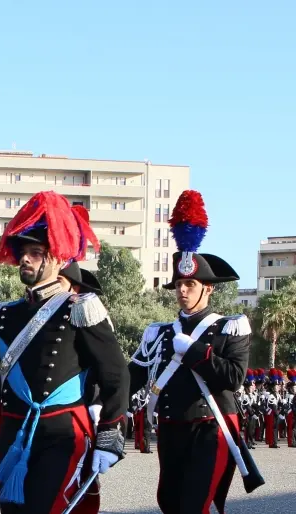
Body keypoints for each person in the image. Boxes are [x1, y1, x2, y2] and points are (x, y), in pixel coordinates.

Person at [0, 192, 128, 514]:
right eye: (23, 252)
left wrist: (109, 432)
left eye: (35, 253)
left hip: (60, 430)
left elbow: (115, 373)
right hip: (13, 430)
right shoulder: (5, 313)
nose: (25, 259)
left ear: (56, 258)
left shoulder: (79, 308)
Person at [128, 190, 252, 513]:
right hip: (171, 430)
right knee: (170, 503)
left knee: (195, 505)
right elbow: (133, 376)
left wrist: (195, 350)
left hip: (211, 428)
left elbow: (234, 377)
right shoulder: (160, 333)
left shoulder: (230, 327)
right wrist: (101, 404)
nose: (182, 291)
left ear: (208, 288)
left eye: (191, 284)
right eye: (179, 284)